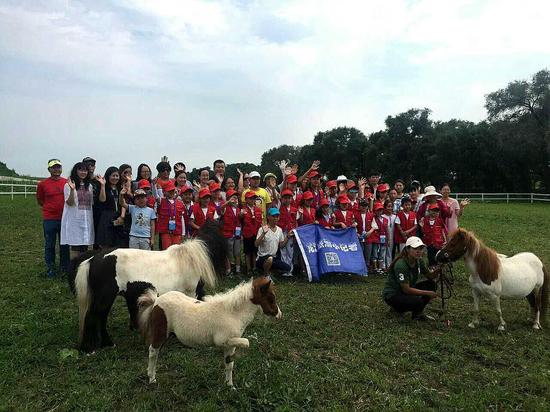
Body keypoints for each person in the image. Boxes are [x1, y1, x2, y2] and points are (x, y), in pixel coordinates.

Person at [382, 236, 441, 321]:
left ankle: (417, 314)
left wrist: (439, 269)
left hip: (406, 290)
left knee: (431, 284)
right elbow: (406, 289)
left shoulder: (419, 261)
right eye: (415, 248)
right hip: (393, 294)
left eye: (421, 248)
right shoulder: (401, 265)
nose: (419, 251)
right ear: (407, 249)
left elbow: (430, 276)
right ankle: (397, 308)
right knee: (418, 301)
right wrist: (427, 293)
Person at [36, 159, 69, 278]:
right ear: (49, 169)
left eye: (58, 167)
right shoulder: (43, 184)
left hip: (64, 218)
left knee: (64, 245)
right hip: (49, 219)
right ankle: (50, 267)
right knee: (49, 244)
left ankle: (65, 267)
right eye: (54, 167)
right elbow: (40, 200)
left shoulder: (66, 182)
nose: (56, 169)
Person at [60, 162, 95, 260]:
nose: (83, 172)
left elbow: (91, 203)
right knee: (75, 246)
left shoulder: (89, 186)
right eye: (81, 170)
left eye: (85, 170)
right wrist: (72, 190)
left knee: (85, 246)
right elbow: (70, 203)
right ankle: (73, 270)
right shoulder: (68, 185)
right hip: (74, 220)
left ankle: (82, 271)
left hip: (86, 219)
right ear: (76, 171)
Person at [255, 208, 292, 277]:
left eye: (277, 216)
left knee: (288, 268)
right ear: (268, 217)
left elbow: (281, 246)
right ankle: (265, 274)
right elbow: (256, 244)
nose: (276, 218)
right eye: (273, 216)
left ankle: (269, 271)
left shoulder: (279, 230)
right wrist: (263, 233)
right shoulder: (262, 229)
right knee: (269, 259)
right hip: (262, 258)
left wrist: (288, 237)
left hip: (274, 257)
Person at [96, 167, 124, 248]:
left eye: (117, 176)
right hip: (106, 217)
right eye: (113, 176)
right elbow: (102, 199)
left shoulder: (120, 188)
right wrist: (102, 185)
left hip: (118, 217)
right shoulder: (103, 187)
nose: (115, 178)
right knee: (106, 244)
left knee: (118, 244)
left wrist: (122, 216)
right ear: (108, 176)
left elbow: (123, 203)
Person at [156, 180, 185, 249]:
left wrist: (183, 232)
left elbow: (182, 219)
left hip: (177, 231)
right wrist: (154, 186)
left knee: (176, 251)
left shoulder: (180, 203)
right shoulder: (161, 201)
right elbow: (156, 196)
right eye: (169, 191)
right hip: (165, 231)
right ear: (164, 192)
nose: (171, 192)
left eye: (172, 190)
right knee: (167, 251)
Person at [220, 189, 241, 276]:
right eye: (233, 198)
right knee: (228, 253)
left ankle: (238, 270)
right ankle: (228, 271)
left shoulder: (239, 209)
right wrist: (227, 203)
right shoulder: (225, 208)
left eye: (236, 198)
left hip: (237, 234)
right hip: (227, 234)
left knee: (237, 252)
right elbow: (220, 209)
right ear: (228, 199)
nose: (235, 200)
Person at [278, 189, 298, 277]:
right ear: (282, 199)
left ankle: (290, 270)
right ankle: (284, 269)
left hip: (291, 232)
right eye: (285, 198)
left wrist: (294, 231)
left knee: (290, 251)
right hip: (282, 231)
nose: (287, 200)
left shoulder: (295, 209)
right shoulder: (279, 208)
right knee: (283, 250)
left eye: (289, 198)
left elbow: (296, 221)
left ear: (291, 199)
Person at [241, 191, 262, 274]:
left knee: (255, 251)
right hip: (247, 233)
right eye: (250, 198)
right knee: (247, 252)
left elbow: (260, 221)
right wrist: (241, 214)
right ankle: (248, 268)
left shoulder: (258, 209)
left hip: (256, 233)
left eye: (254, 198)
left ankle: (254, 267)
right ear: (246, 200)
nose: (252, 200)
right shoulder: (243, 209)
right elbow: (240, 219)